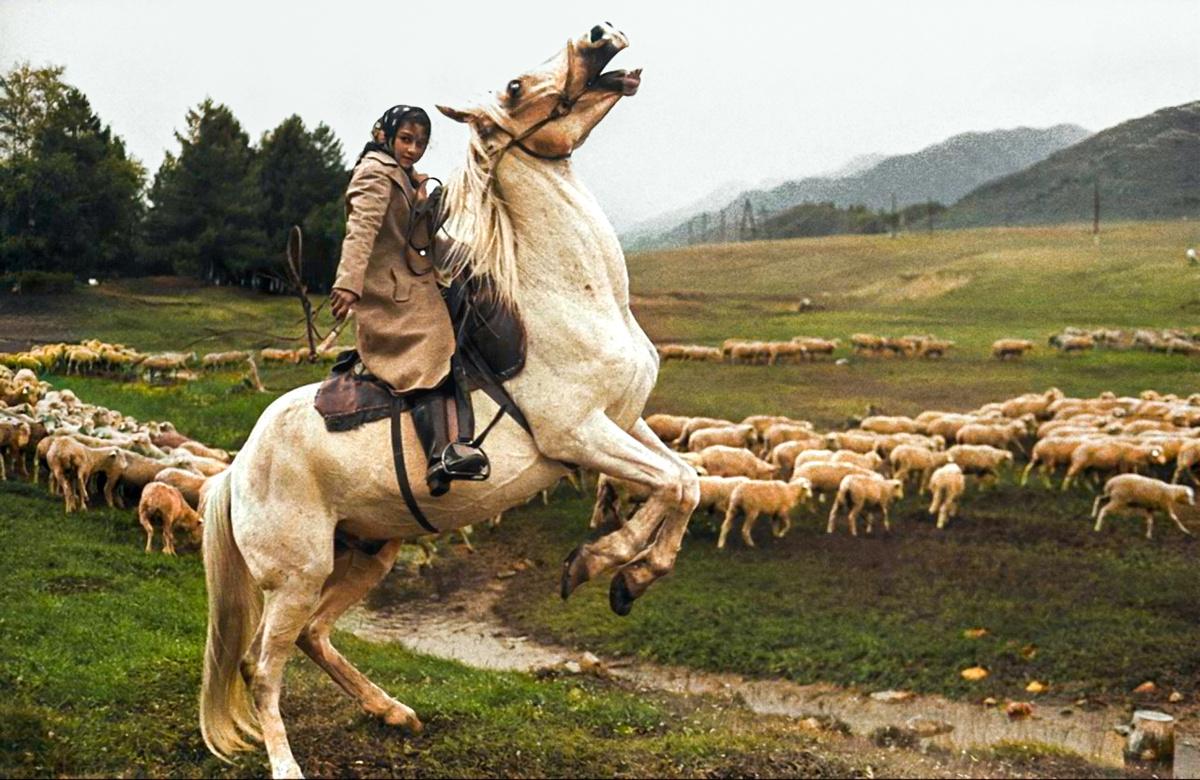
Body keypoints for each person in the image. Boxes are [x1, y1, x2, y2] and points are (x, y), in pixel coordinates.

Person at [330, 104, 487, 496]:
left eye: (420, 143)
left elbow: (417, 243)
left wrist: (475, 255)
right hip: (389, 295)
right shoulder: (373, 174)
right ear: (384, 135)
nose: (414, 149)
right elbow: (361, 230)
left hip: (413, 280)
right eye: (406, 140)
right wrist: (349, 284)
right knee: (432, 344)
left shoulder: (404, 176)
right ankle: (439, 456)